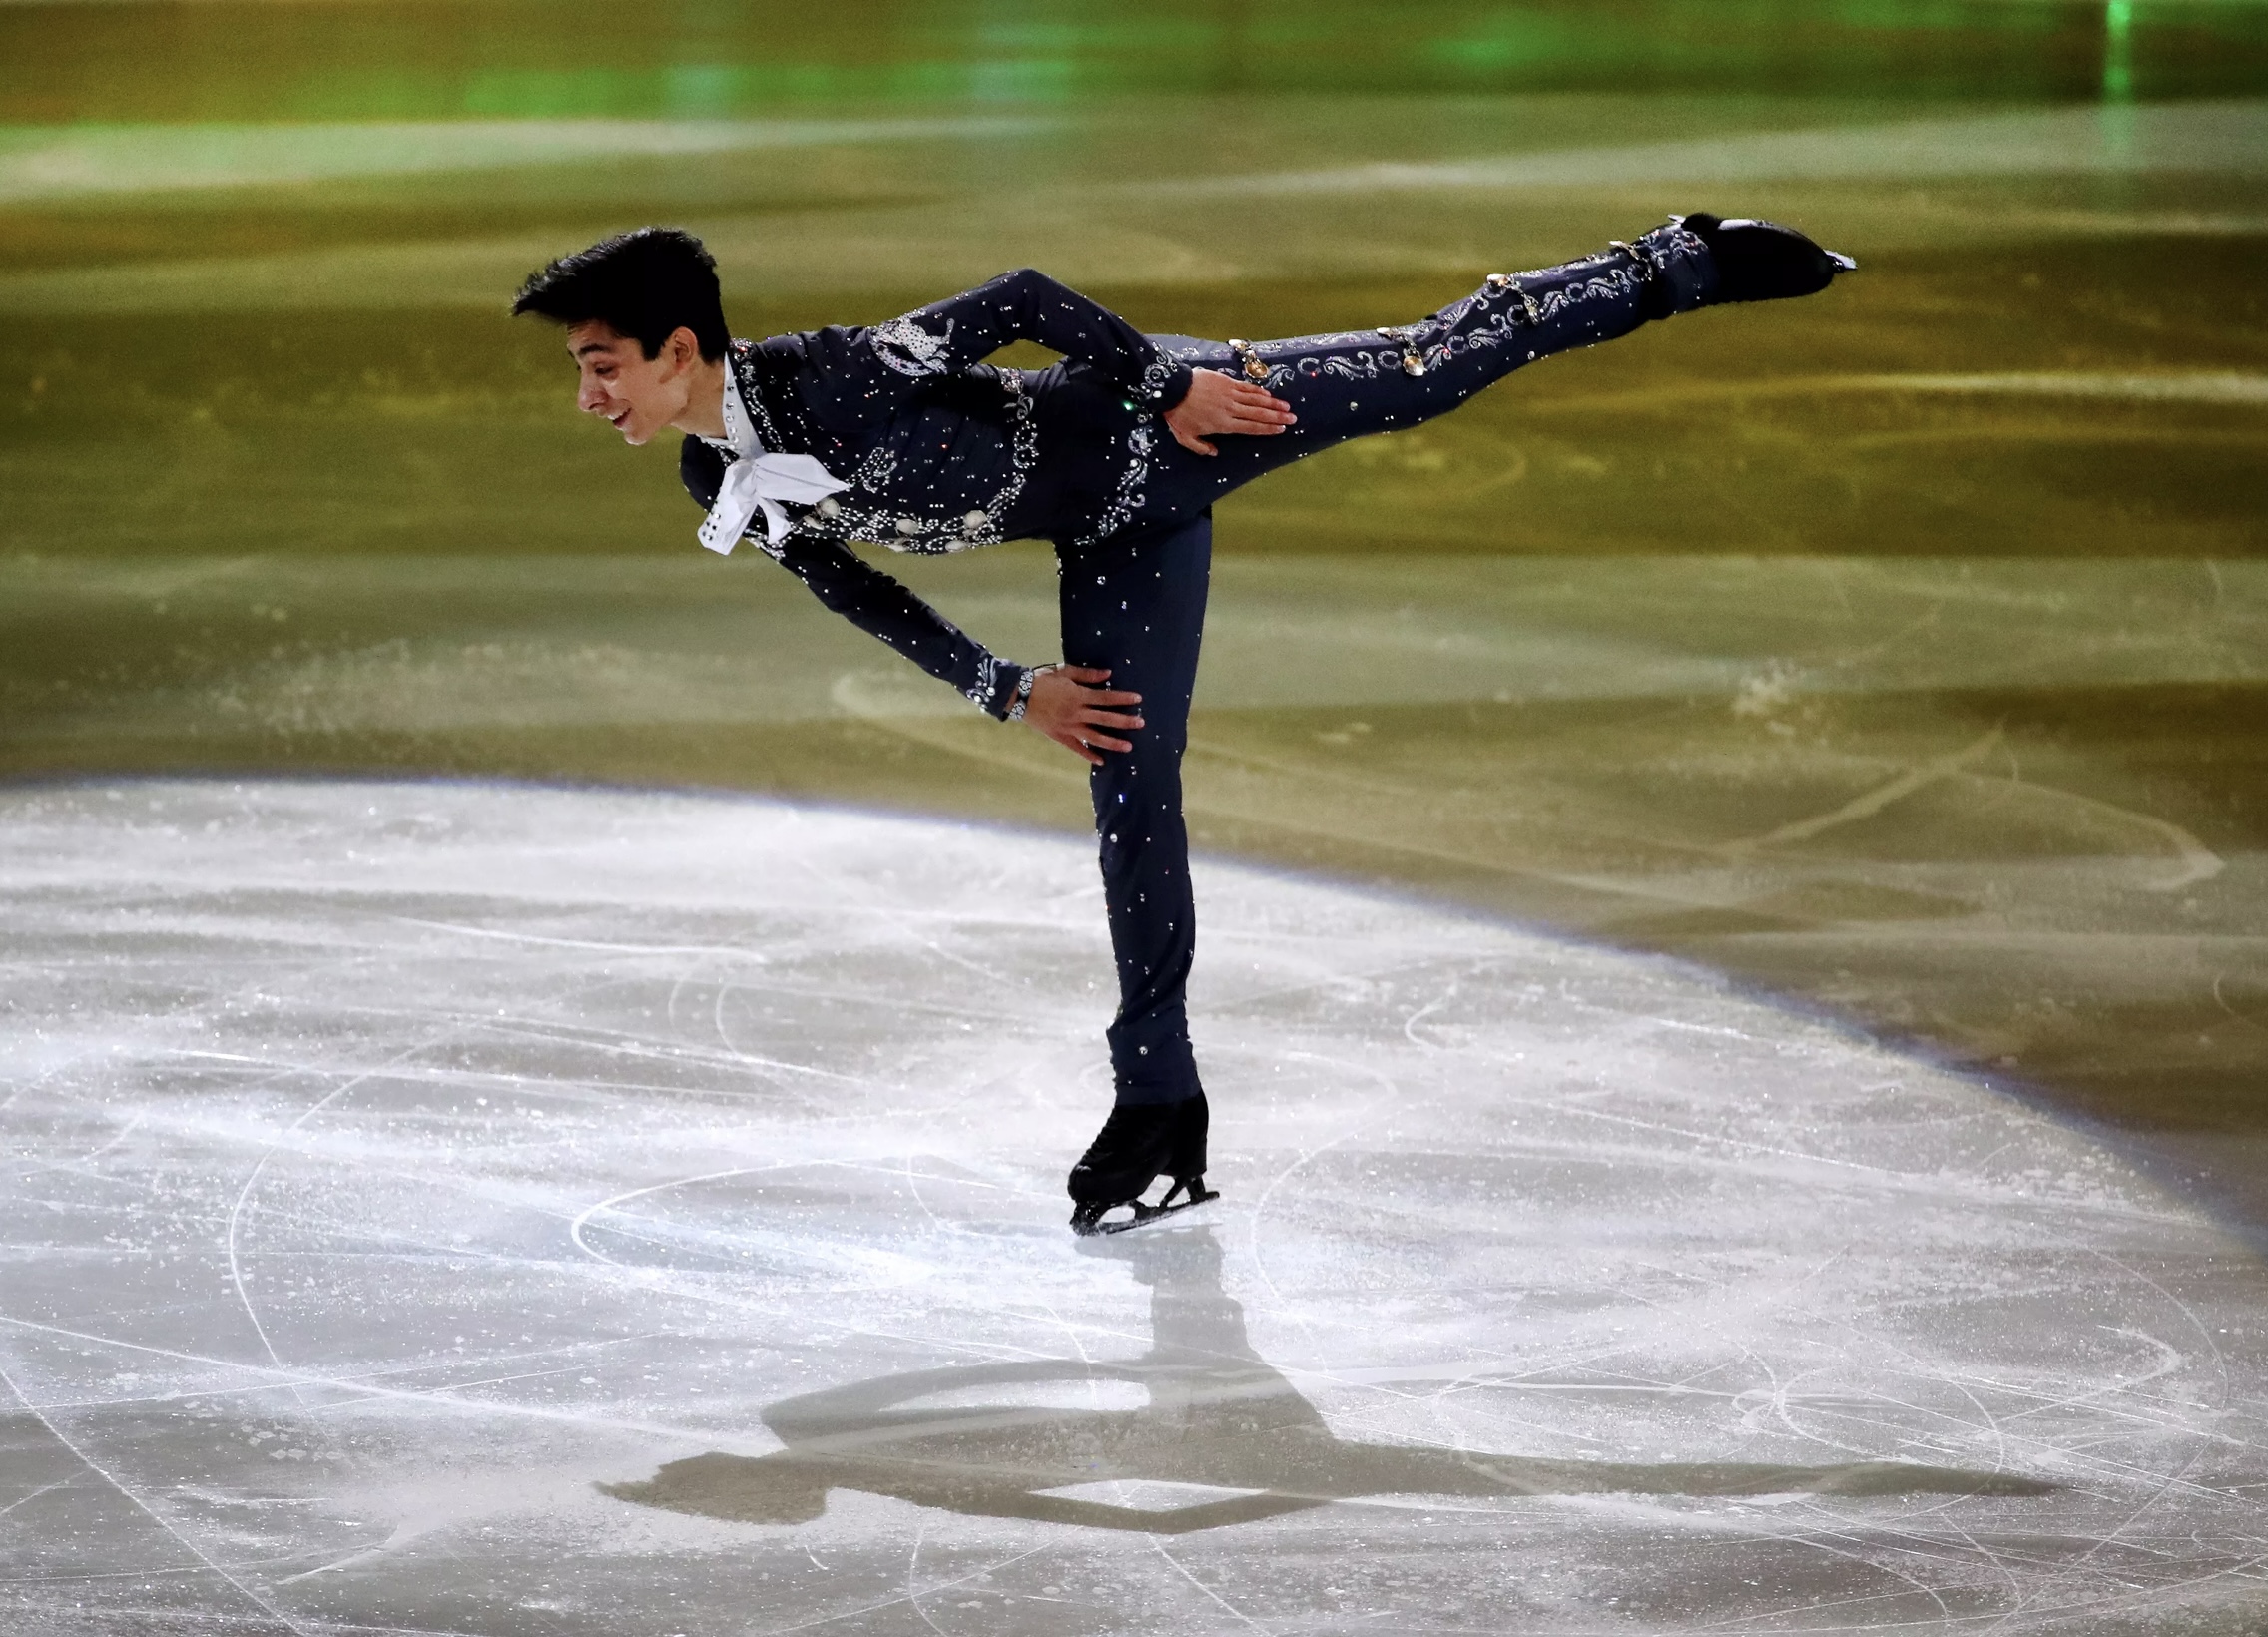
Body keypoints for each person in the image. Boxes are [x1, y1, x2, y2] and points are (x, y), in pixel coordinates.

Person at [511, 214, 1853, 1235]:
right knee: (1132, 799)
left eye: (600, 365)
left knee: (1429, 368)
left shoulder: (847, 376)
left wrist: (1168, 389)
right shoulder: (714, 462)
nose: (588, 396)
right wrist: (1008, 686)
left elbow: (1025, 300)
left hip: (1188, 421)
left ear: (678, 350)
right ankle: (1159, 1099)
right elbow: (850, 583)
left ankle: (1672, 264)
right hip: (1112, 537)